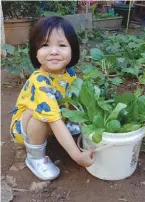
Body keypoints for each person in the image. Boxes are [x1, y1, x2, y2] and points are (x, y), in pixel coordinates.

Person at [10, 16, 95, 181]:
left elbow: (71, 100)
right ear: (35, 51)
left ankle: (67, 126)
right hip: (25, 128)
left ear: (73, 49)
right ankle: (35, 157)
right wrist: (77, 156)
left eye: (62, 45)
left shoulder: (68, 73)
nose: (53, 51)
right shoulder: (40, 80)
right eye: (45, 45)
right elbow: (53, 119)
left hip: (53, 115)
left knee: (70, 96)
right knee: (40, 116)